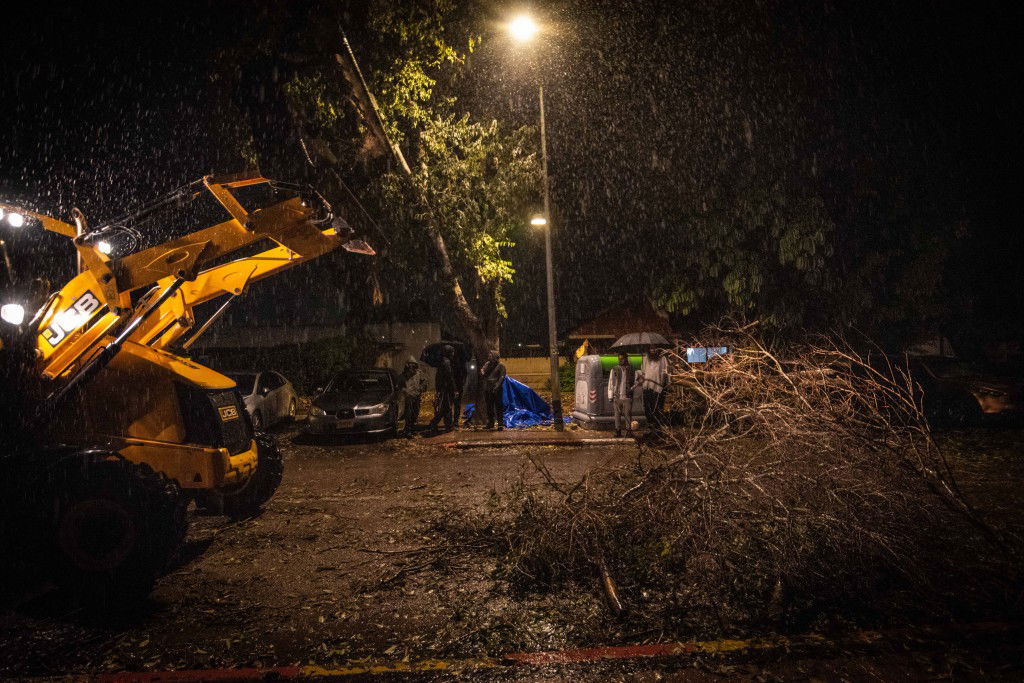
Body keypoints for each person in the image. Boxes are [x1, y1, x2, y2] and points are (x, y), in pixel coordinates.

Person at [427, 345, 457, 433]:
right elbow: (449, 377)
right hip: (446, 389)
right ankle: (436, 424)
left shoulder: (442, 361)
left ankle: (444, 425)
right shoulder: (446, 362)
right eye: (452, 352)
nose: (453, 354)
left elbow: (439, 377)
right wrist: (454, 389)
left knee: (445, 408)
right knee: (445, 408)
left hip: (442, 389)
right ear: (449, 352)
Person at [607, 352, 636, 438]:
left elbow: (636, 381)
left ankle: (628, 431)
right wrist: (610, 396)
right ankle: (618, 431)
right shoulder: (614, 369)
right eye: (619, 359)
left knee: (628, 415)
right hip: (617, 396)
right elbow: (611, 382)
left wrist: (632, 389)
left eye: (622, 359)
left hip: (627, 396)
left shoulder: (631, 369)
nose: (620, 360)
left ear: (626, 359)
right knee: (617, 415)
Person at [641, 347, 670, 432]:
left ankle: (658, 429)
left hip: (658, 388)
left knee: (657, 408)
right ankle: (650, 427)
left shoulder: (663, 359)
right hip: (647, 387)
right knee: (647, 408)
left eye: (654, 348)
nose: (653, 350)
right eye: (651, 348)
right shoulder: (645, 358)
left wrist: (666, 384)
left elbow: (666, 373)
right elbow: (643, 372)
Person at [479, 350, 507, 430]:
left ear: (495, 356)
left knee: (498, 406)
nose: (489, 357)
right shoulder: (487, 364)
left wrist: (497, 386)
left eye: (490, 355)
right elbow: (483, 372)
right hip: (487, 388)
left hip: (496, 389)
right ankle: (490, 423)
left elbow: (502, 377)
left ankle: (500, 424)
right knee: (489, 406)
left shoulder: (501, 366)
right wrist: (482, 371)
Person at [398, 358, 426, 437]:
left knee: (415, 413)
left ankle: (412, 429)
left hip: (416, 396)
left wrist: (421, 387)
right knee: (408, 414)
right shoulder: (403, 376)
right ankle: (407, 431)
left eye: (414, 365)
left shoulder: (418, 374)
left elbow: (424, 381)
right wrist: (404, 390)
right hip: (409, 397)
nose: (412, 367)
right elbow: (399, 386)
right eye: (411, 365)